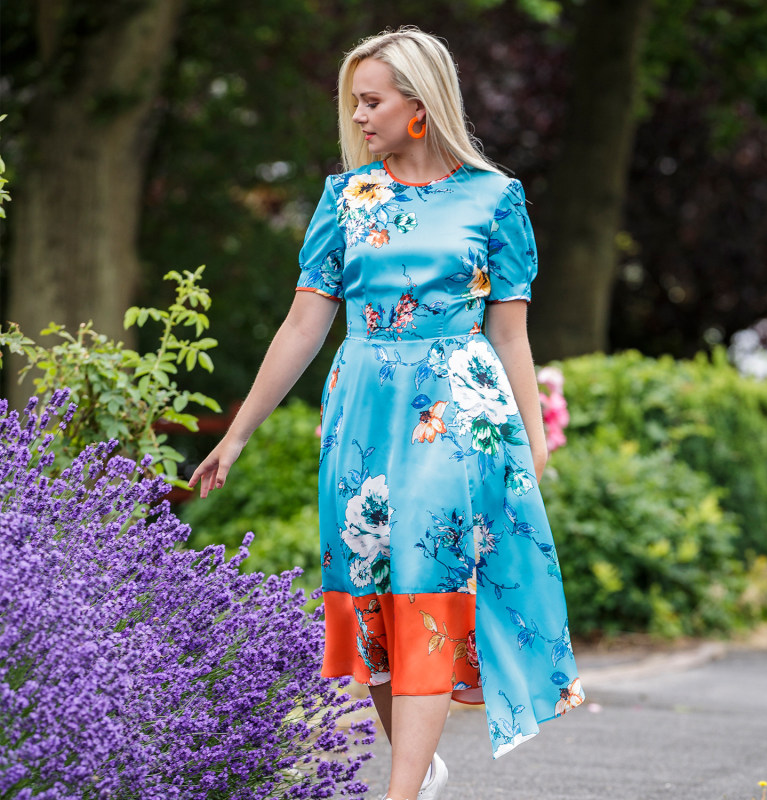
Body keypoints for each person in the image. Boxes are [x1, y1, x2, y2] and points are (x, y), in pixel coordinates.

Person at [189, 26, 584, 800]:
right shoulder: (347, 199)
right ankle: (419, 762)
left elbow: (510, 332)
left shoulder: (494, 200)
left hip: (456, 417)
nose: (358, 116)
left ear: (421, 105)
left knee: (428, 586)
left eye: (371, 101)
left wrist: (535, 442)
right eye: (354, 101)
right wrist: (238, 433)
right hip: (361, 412)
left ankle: (398, 794)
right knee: (368, 591)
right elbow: (304, 325)